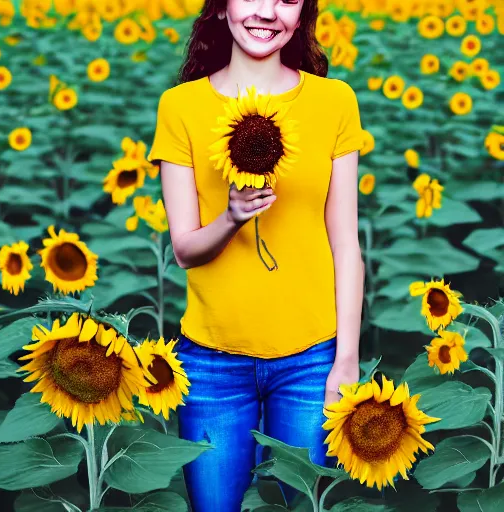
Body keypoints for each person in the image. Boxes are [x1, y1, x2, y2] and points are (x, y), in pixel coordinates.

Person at [147, 1, 365, 510]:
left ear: (303, 14)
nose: (267, 12)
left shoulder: (334, 101)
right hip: (211, 361)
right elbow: (184, 250)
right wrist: (231, 216)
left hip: (313, 359)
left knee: (306, 504)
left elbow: (345, 244)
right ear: (222, 8)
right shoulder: (180, 107)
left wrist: (346, 360)